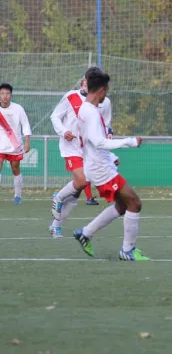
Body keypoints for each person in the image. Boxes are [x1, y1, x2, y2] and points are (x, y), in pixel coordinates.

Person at [63, 67, 148, 260]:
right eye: (106, 91)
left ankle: (85, 233)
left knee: (122, 205)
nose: (106, 95)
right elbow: (99, 141)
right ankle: (127, 250)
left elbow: (93, 142)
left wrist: (110, 156)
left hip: (99, 164)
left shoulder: (86, 109)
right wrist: (130, 142)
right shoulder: (91, 113)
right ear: (101, 90)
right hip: (100, 168)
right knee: (134, 203)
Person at [49, 77, 117, 238]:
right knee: (82, 180)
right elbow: (55, 116)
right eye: (87, 84)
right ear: (82, 85)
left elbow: (105, 125)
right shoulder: (71, 96)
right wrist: (63, 131)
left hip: (90, 149)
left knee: (77, 191)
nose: (90, 87)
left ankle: (55, 225)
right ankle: (58, 197)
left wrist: (108, 138)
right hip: (71, 148)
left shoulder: (105, 102)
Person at [0, 83, 31, 205]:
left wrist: (27, 141)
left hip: (15, 144)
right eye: (2, 93)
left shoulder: (18, 108)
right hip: (1, 144)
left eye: (7, 93)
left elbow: (26, 125)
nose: (5, 96)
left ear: (11, 95)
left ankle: (18, 195)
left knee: (15, 168)